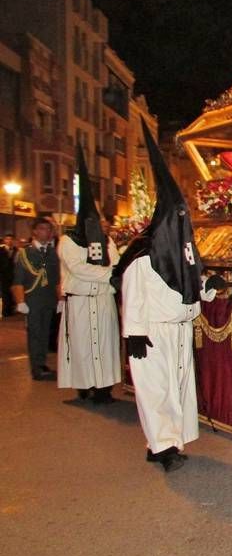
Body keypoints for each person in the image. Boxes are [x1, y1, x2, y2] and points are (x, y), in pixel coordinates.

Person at [112, 120, 222, 472]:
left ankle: (164, 442)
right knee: (156, 391)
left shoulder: (185, 255)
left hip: (180, 330)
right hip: (153, 333)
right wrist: (134, 334)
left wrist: (209, 288)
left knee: (176, 387)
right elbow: (131, 296)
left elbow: (192, 291)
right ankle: (162, 449)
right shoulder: (142, 257)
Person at [57, 148, 121, 403]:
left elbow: (116, 262)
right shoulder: (68, 240)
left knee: (104, 345)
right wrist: (108, 274)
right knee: (83, 345)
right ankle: (84, 385)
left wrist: (108, 273)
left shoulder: (106, 241)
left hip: (103, 301)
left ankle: (104, 388)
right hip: (81, 301)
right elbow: (78, 268)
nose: (100, 226)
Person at [11, 218, 60, 380]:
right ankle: (36, 368)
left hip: (48, 299)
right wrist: (20, 301)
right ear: (35, 232)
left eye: (48, 229)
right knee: (35, 334)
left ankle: (42, 362)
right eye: (42, 229)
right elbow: (18, 280)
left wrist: (60, 299)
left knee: (46, 333)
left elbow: (56, 279)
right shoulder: (25, 253)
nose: (46, 232)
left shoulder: (53, 252)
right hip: (32, 300)